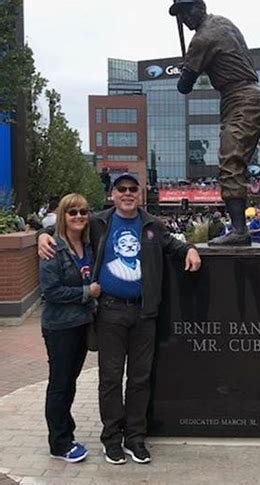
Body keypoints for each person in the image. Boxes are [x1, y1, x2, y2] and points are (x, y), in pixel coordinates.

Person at [38, 173, 201, 466]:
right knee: (111, 379)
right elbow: (61, 225)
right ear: (112, 194)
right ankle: (111, 438)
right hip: (110, 312)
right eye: (121, 189)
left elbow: (174, 246)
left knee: (140, 378)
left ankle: (135, 438)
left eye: (132, 189)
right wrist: (42, 235)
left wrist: (190, 249)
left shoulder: (152, 224)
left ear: (139, 194)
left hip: (144, 313)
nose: (127, 193)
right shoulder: (99, 222)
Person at [169, 0, 260, 246]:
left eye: (187, 12)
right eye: (180, 15)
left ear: (201, 8)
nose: (184, 19)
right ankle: (238, 229)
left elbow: (184, 86)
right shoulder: (223, 22)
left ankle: (239, 231)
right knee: (233, 163)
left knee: (230, 164)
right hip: (245, 98)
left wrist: (186, 68)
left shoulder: (203, 38)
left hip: (241, 99)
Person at [39, 193, 101, 462]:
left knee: (69, 383)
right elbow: (50, 291)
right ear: (63, 215)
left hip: (80, 324)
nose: (78, 217)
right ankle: (59, 443)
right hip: (60, 327)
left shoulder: (87, 245)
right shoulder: (53, 247)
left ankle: (67, 433)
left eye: (83, 212)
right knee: (60, 384)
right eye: (72, 212)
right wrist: (88, 292)